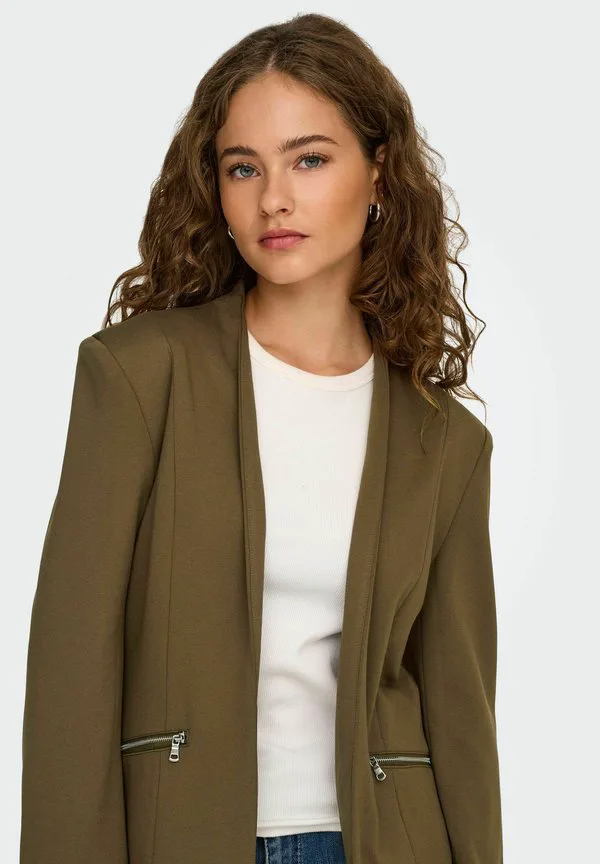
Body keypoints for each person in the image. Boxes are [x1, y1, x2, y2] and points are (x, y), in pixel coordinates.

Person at [20, 12, 503, 864]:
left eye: (309, 159)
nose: (273, 197)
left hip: (384, 842)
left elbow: (460, 712)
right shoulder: (138, 376)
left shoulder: (445, 441)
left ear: (379, 173)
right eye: (243, 167)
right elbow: (71, 668)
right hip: (182, 836)